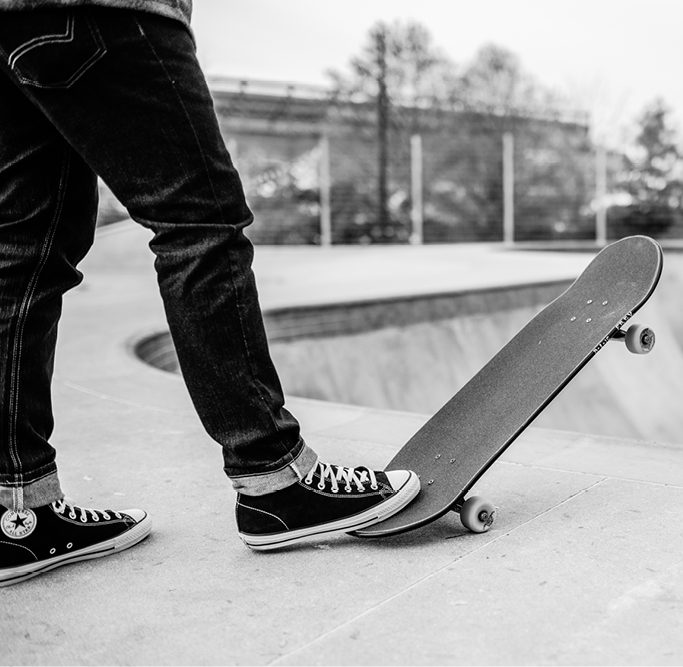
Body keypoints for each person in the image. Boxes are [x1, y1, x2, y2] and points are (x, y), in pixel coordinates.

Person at [0, 0, 420, 587]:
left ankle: (16, 511)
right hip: (102, 12)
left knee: (26, 254)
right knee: (200, 223)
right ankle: (274, 478)